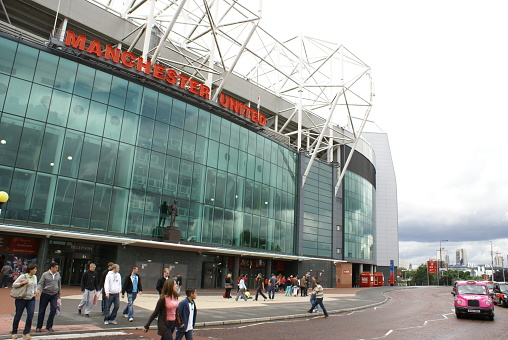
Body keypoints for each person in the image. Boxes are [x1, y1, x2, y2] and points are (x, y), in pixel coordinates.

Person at [11, 263, 39, 340]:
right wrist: (22, 283)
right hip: (21, 299)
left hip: (31, 299)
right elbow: (14, 284)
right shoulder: (23, 276)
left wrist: (36, 292)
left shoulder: (35, 277)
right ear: (31, 270)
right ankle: (14, 332)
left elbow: (35, 286)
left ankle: (26, 332)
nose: (36, 270)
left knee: (30, 315)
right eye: (35, 269)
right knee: (18, 315)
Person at [36, 262, 61, 333]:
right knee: (42, 310)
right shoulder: (45, 274)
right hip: (45, 294)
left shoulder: (58, 274)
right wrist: (38, 290)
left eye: (57, 268)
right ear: (51, 268)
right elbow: (40, 283)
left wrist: (59, 293)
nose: (57, 269)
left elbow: (59, 284)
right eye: (56, 268)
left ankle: (49, 326)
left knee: (53, 309)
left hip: (54, 294)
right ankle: (39, 326)